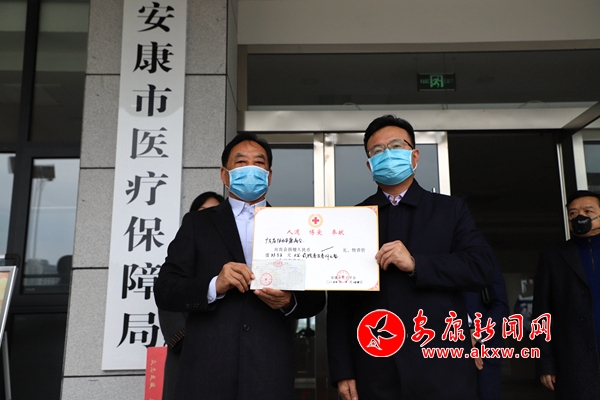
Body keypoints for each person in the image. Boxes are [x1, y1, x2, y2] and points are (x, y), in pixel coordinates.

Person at [327, 114, 496, 399]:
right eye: (377, 151)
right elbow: (340, 304)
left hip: (442, 364)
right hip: (376, 366)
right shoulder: (353, 219)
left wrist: (418, 264)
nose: (387, 154)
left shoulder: (450, 210)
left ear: (414, 156)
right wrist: (343, 370)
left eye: (396, 146)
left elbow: (481, 267)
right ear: (369, 165)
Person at [154, 133, 326, 399]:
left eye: (259, 162)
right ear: (225, 175)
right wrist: (214, 285)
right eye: (241, 162)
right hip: (206, 370)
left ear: (269, 175)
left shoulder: (292, 225)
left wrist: (289, 301)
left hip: (269, 368)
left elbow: (316, 298)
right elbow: (165, 289)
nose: (251, 169)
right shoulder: (197, 224)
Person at [533, 190, 600, 399]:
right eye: (573, 213)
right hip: (575, 363)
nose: (580, 217)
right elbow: (541, 314)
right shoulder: (553, 257)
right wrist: (545, 363)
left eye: (588, 211)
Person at [158, 191, 224, 400]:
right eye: (203, 212)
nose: (209, 217)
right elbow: (168, 298)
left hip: (227, 356)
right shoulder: (181, 259)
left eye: (215, 211)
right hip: (189, 353)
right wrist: (194, 340)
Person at [464, 263, 509, 400]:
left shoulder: (485, 259)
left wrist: (476, 335)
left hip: (486, 350)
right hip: (447, 347)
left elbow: (501, 306)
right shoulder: (438, 256)